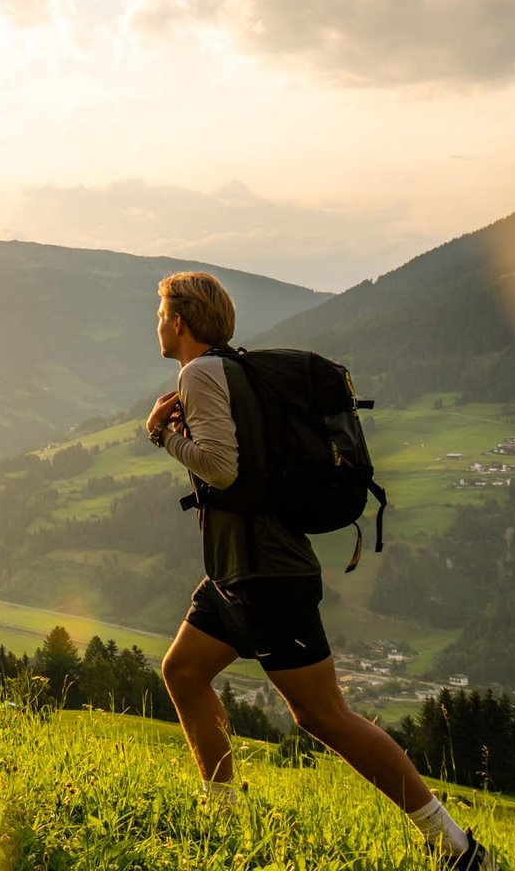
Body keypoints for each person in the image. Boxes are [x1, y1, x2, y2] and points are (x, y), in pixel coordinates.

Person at [145, 272, 497, 870]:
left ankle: (457, 847)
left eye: (160, 313)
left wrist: (161, 436)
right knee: (182, 670)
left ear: (178, 321)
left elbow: (224, 469)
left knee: (323, 716)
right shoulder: (229, 371)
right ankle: (223, 815)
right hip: (238, 572)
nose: (156, 324)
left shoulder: (200, 373)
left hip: (266, 575)